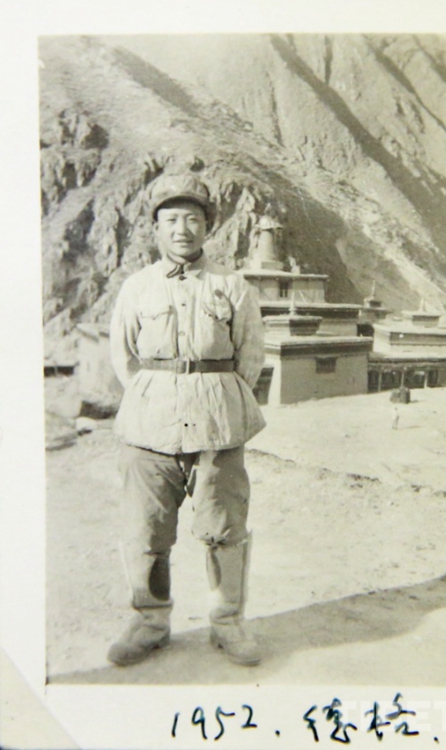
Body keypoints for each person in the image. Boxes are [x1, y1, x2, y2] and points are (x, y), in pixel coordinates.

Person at [107, 172, 266, 668]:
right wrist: (156, 395)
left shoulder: (232, 286)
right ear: (155, 228)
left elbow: (250, 357)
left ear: (208, 226)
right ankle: (150, 622)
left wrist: (213, 396)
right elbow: (124, 358)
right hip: (149, 428)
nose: (182, 229)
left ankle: (227, 621)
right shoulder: (137, 287)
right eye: (171, 219)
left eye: (193, 219)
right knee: (146, 530)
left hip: (217, 425)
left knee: (224, 527)